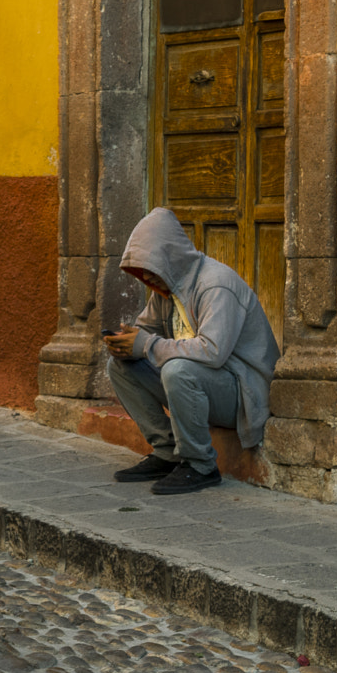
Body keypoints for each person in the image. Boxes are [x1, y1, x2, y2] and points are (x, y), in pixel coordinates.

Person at [102, 208, 280, 495]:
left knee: (177, 369)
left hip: (241, 394)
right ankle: (168, 452)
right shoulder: (167, 289)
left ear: (171, 258)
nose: (148, 276)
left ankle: (200, 465)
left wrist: (145, 345)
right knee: (121, 367)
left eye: (152, 267)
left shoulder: (216, 284)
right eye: (142, 271)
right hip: (201, 386)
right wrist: (126, 342)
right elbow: (146, 331)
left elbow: (213, 352)